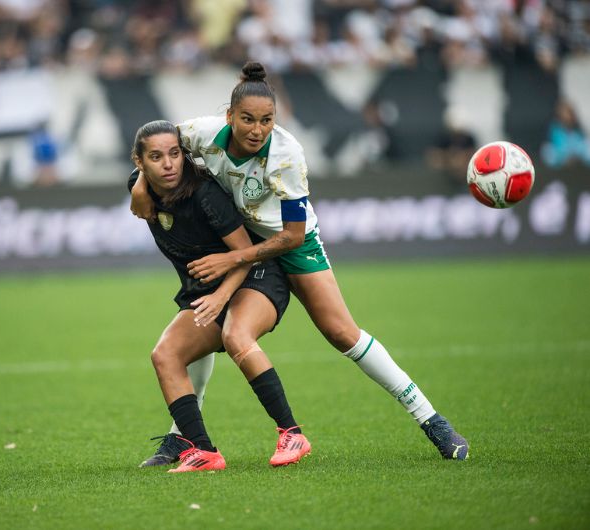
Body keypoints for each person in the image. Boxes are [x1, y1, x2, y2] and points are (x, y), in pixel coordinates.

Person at [132, 62, 469, 460]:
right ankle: (184, 436)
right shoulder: (198, 134)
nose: (257, 130)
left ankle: (431, 420)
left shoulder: (287, 154)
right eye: (247, 120)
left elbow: (290, 235)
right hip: (237, 238)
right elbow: (156, 149)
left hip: (293, 244)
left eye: (267, 120)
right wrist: (138, 188)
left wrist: (233, 259)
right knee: (204, 310)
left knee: (342, 333)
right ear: (229, 117)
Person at [130, 119, 311, 472]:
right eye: (155, 157)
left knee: (235, 335)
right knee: (165, 355)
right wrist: (138, 186)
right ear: (139, 163)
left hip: (255, 273)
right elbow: (138, 184)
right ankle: (203, 452)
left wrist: (220, 299)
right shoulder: (140, 187)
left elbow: (243, 253)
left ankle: (292, 433)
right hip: (208, 289)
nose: (168, 164)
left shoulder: (204, 194)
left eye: (174, 154)